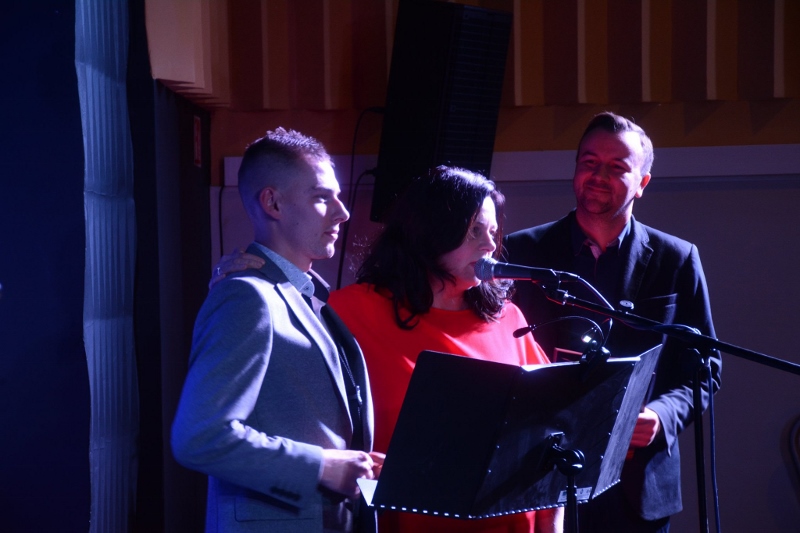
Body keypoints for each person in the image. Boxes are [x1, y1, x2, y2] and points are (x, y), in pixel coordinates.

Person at [214, 166, 563, 533]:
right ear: (431, 231)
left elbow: (552, 430)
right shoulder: (350, 311)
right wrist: (242, 282)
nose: (490, 245)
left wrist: (551, 527)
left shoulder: (509, 319)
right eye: (475, 230)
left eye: (493, 232)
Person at [504, 111, 722, 532]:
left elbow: (705, 368)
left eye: (617, 167)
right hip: (538, 477)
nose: (598, 176)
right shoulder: (522, 252)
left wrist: (661, 416)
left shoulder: (677, 259)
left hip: (636, 487)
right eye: (589, 162)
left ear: (642, 183)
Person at [172, 128, 383, 533]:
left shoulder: (307, 295)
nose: (343, 212)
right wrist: (320, 466)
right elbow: (200, 437)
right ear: (272, 203)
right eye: (322, 197)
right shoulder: (246, 296)